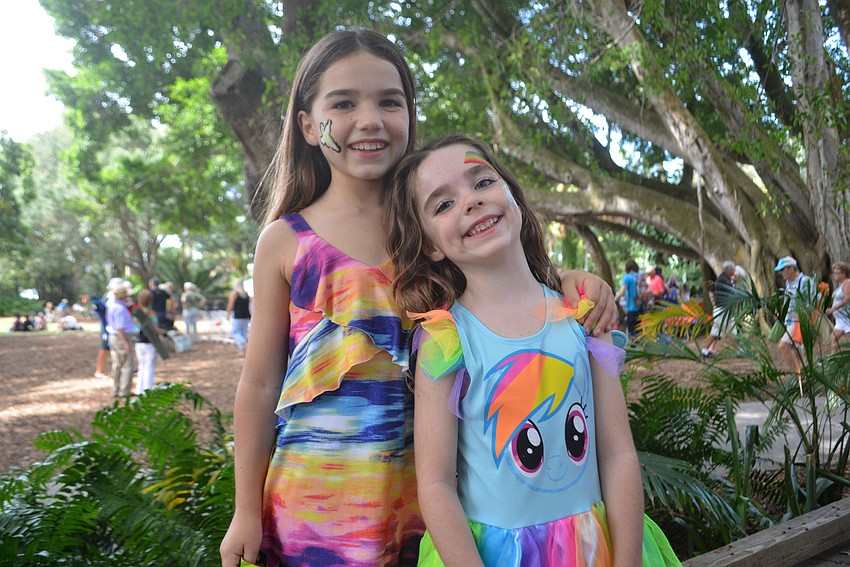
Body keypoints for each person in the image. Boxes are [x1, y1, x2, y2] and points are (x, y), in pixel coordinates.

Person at [219, 29, 618, 567]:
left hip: (436, 508)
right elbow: (261, 383)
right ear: (308, 126)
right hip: (315, 507)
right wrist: (245, 510)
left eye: (390, 100)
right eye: (344, 103)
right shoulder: (286, 241)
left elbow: (511, 285)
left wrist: (573, 280)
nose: (370, 118)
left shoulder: (441, 226)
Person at [385, 135, 679, 566]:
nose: (470, 201)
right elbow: (435, 484)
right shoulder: (446, 339)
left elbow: (618, 453)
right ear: (429, 244)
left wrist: (628, 560)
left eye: (483, 182)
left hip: (598, 550)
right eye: (443, 204)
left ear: (512, 196)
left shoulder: (582, 313)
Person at [775, 256, 814, 373]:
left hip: (801, 321)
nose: (780, 273)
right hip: (790, 320)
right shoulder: (788, 283)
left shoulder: (805, 281)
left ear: (791, 269)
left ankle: (797, 374)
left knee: (784, 345)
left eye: (782, 270)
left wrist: (804, 314)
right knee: (798, 351)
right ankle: (803, 378)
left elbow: (815, 300)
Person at [105, 282, 136, 398]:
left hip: (113, 336)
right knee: (127, 364)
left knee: (117, 364)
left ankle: (116, 389)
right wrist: (125, 343)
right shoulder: (120, 309)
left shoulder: (111, 304)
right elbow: (120, 328)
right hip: (121, 337)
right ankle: (124, 391)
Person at [134, 289, 167, 395]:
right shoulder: (151, 314)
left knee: (141, 367)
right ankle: (147, 392)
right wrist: (164, 332)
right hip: (149, 343)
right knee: (149, 368)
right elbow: (155, 329)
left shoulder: (136, 313)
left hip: (139, 343)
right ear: (150, 301)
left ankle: (139, 391)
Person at [701, 261, 737, 359]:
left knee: (732, 330)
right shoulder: (723, 279)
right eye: (733, 268)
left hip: (726, 309)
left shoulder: (727, 279)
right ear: (729, 269)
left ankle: (739, 350)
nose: (735, 270)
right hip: (722, 309)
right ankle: (705, 349)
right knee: (716, 332)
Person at [614, 259, 643, 336]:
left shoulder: (627, 277)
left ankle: (632, 345)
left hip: (632, 308)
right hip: (641, 307)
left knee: (631, 331)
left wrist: (613, 301)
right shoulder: (639, 276)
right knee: (639, 331)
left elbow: (621, 292)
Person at [226, 278, 251, 358]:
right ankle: (242, 351)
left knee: (235, 332)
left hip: (238, 316)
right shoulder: (246, 294)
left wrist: (228, 313)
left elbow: (231, 304)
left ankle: (246, 345)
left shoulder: (235, 293)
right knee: (242, 333)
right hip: (246, 316)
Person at [827, 262, 850, 348]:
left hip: (847, 318)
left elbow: (847, 299)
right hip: (840, 319)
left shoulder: (847, 283)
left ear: (843, 274)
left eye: (837, 273)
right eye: (834, 273)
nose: (834, 275)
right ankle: (833, 359)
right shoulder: (840, 286)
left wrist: (833, 309)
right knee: (833, 338)